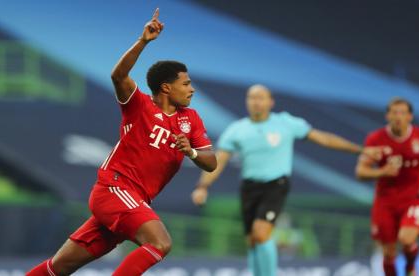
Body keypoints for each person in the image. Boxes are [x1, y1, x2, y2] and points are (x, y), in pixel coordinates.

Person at [27, 8, 217, 276]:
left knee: (59, 266)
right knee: (160, 242)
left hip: (133, 199)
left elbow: (211, 162)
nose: (192, 89)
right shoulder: (139, 106)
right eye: (185, 84)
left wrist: (193, 153)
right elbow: (118, 76)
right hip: (114, 188)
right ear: (166, 87)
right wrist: (143, 42)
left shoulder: (191, 119)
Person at [191, 84, 379, 276]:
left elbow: (323, 138)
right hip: (249, 187)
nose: (255, 102)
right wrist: (202, 186)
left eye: (260, 98)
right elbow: (219, 161)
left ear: (271, 102)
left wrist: (360, 149)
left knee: (261, 233)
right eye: (251, 98)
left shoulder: (286, 123)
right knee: (253, 241)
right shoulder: (237, 130)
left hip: (275, 185)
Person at [355, 97, 419, 276]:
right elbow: (360, 172)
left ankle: (410, 267)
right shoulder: (376, 139)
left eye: (403, 113)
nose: (398, 117)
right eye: (394, 112)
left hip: (414, 198)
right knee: (389, 252)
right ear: (387, 116)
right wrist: (381, 172)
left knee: (406, 238)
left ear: (410, 117)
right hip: (385, 201)